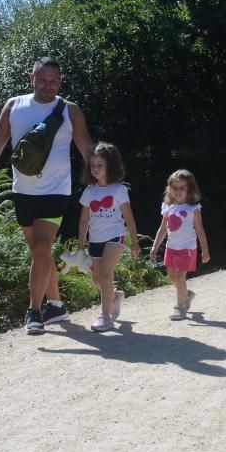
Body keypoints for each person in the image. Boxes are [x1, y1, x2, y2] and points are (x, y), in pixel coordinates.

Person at [0, 57, 95, 335]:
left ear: (60, 82)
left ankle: (34, 311)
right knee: (39, 253)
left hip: (56, 191)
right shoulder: (14, 106)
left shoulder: (69, 110)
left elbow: (86, 147)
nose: (47, 85)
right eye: (42, 79)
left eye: (53, 81)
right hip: (23, 192)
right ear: (32, 78)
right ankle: (56, 306)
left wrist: (106, 180)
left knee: (41, 248)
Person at [77, 142, 140, 332]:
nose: (95, 169)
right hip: (95, 240)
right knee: (97, 279)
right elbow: (83, 220)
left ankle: (105, 317)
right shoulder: (89, 191)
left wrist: (135, 242)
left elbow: (129, 217)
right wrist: (81, 245)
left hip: (115, 237)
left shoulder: (119, 190)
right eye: (93, 165)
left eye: (100, 165)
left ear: (110, 166)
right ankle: (114, 297)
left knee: (105, 275)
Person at [149, 169, 210, 320]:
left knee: (180, 277)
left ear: (189, 189)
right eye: (175, 188)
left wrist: (205, 250)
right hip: (171, 248)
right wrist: (154, 247)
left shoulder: (193, 209)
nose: (178, 191)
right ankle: (187, 295)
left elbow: (200, 230)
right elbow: (162, 229)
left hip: (187, 248)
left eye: (182, 188)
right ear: (170, 189)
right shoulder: (168, 207)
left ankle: (180, 307)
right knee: (172, 277)